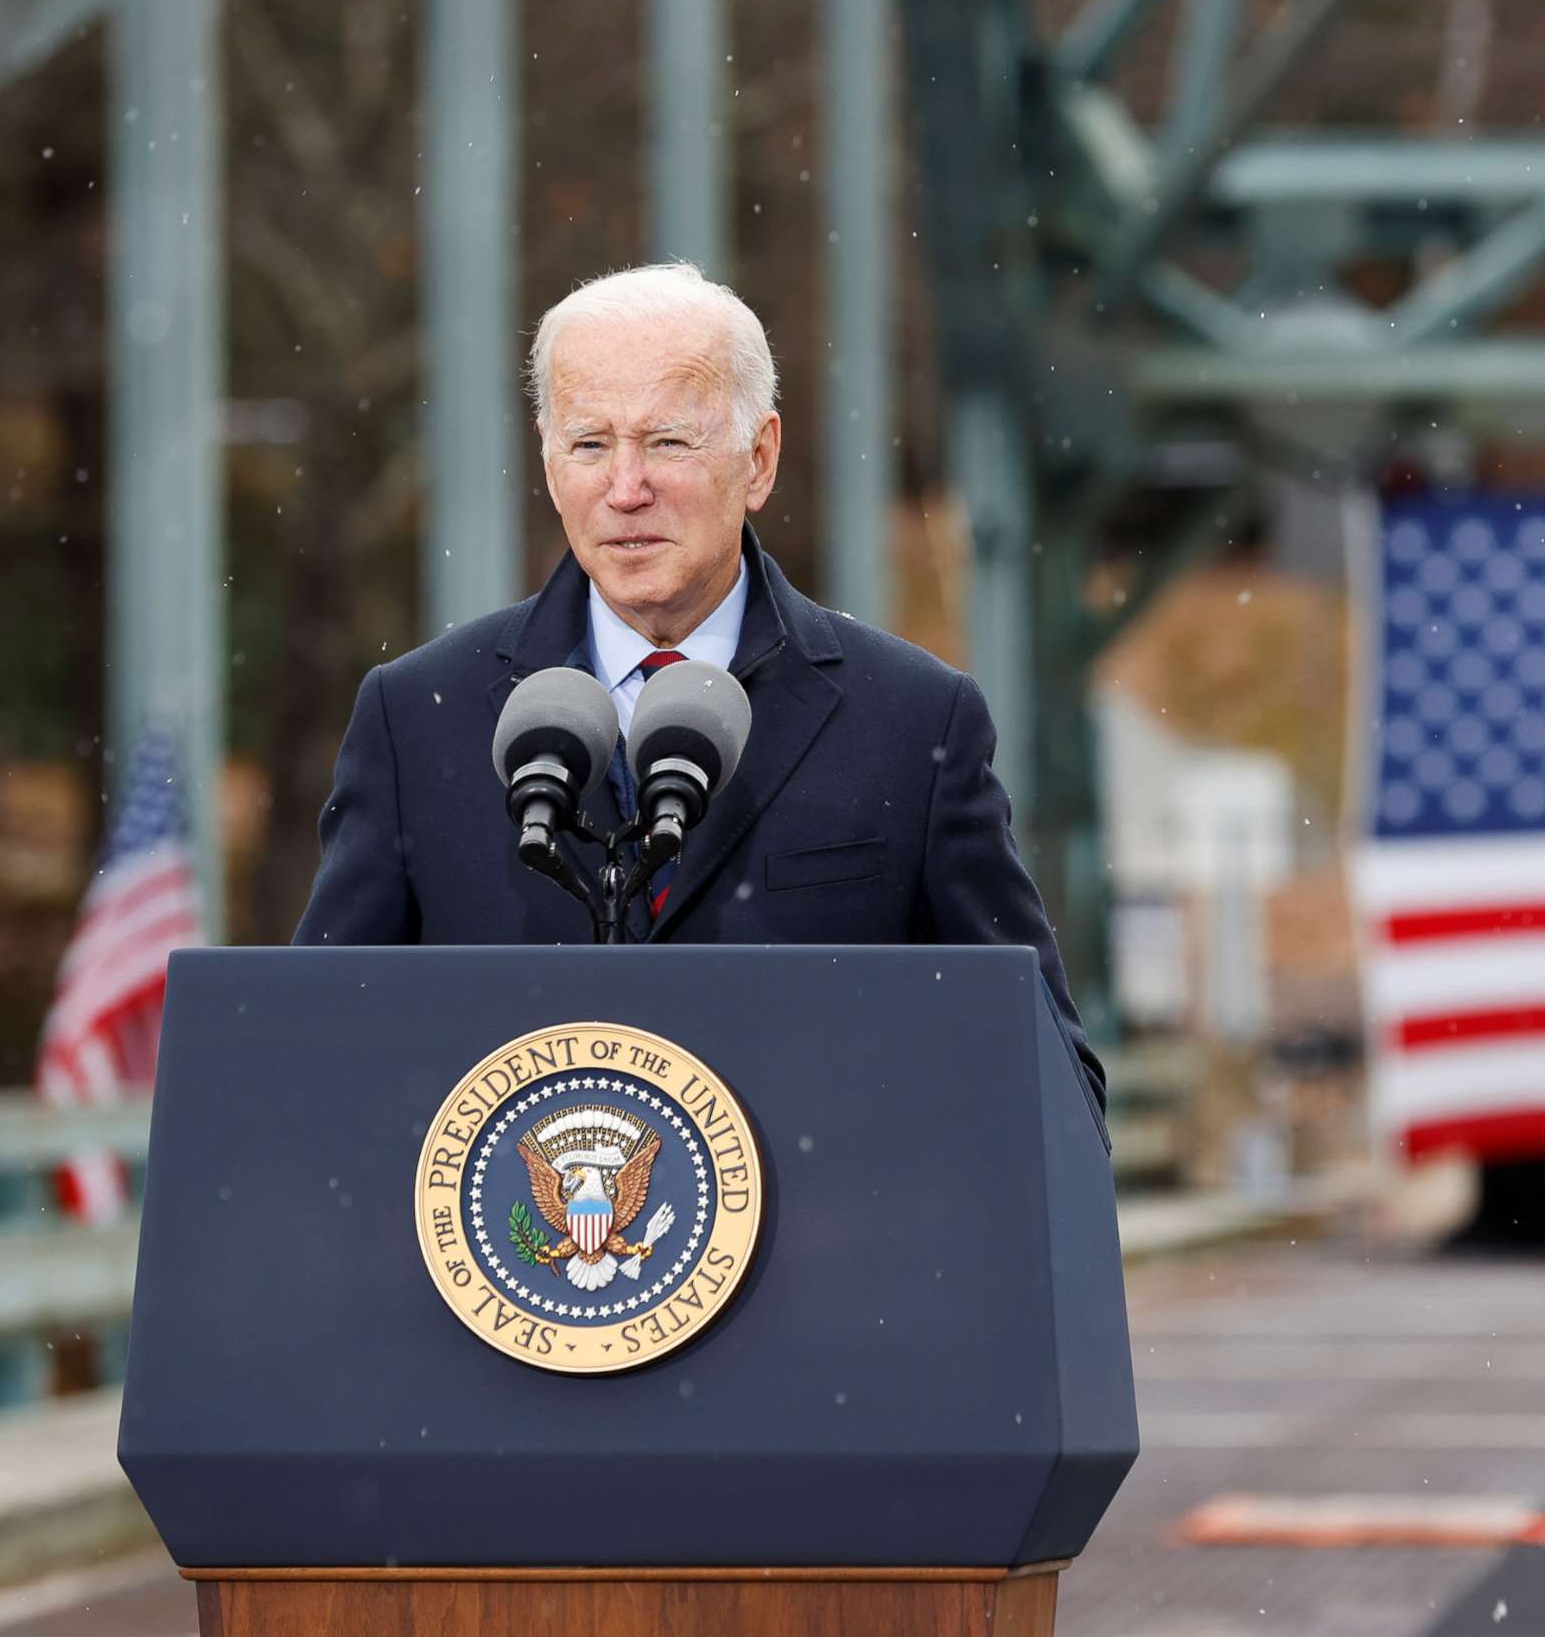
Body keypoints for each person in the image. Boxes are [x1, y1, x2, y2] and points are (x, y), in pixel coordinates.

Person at [293, 262, 1103, 1113]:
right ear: (547, 458)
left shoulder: (911, 722)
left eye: (669, 442)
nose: (626, 489)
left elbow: (1049, 1081)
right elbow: (313, 1058)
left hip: (831, 1239)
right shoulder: (417, 719)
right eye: (590, 444)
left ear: (759, 459)